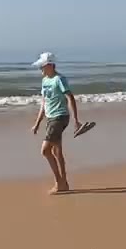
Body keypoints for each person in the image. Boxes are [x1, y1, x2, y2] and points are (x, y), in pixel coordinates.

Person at [30, 52, 82, 194]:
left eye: (43, 66)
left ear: (51, 65)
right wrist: (37, 123)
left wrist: (76, 120)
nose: (41, 69)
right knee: (56, 151)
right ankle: (63, 183)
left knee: (45, 151)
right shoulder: (45, 81)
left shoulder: (59, 79)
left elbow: (70, 98)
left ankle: (59, 183)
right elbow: (44, 103)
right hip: (50, 118)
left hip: (60, 117)